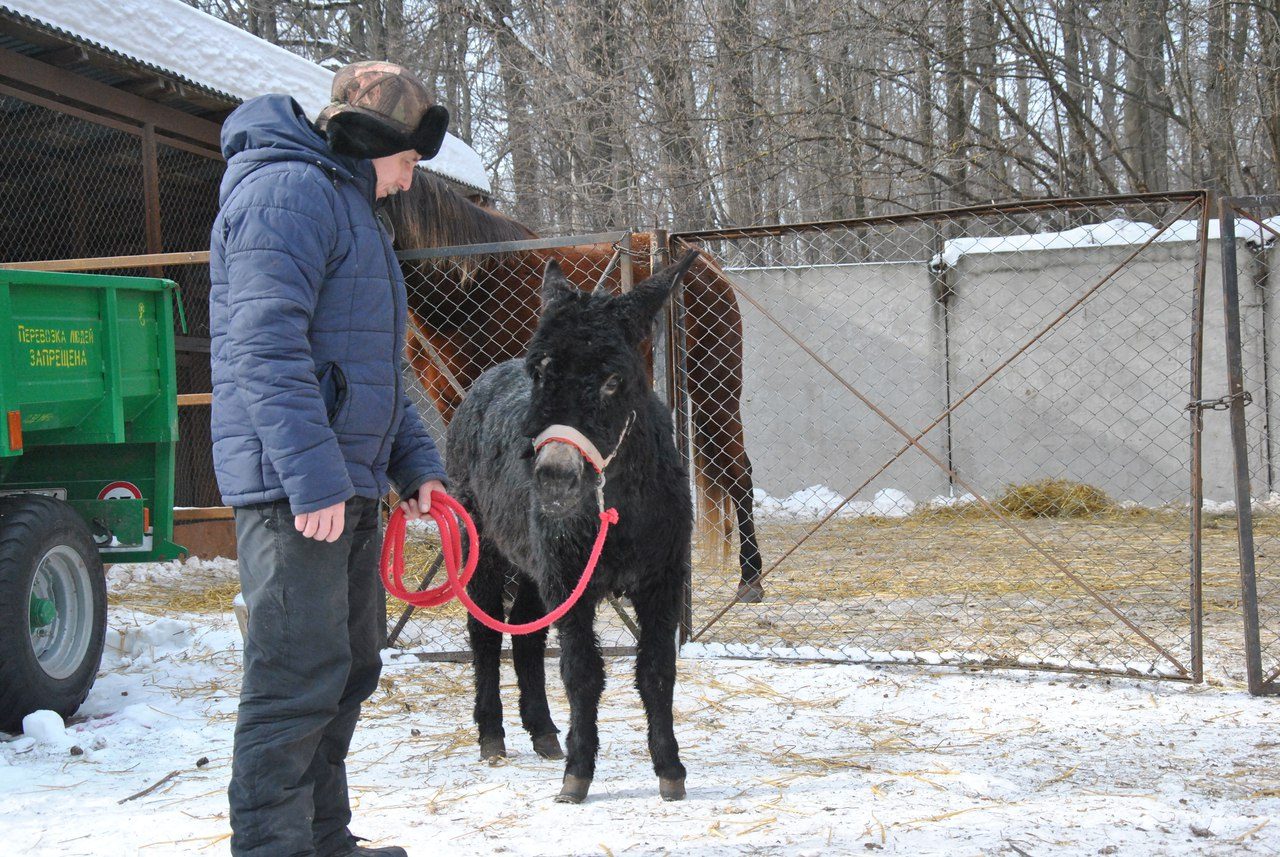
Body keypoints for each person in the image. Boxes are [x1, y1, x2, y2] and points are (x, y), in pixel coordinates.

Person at [209, 61, 452, 857]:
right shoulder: (287, 194)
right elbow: (266, 345)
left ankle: (322, 837)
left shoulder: (353, 211)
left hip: (339, 485)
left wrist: (417, 466)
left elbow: (375, 365)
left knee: (347, 668)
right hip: (295, 491)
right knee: (293, 679)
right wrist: (313, 476)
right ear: (374, 138)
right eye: (409, 163)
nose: (409, 183)